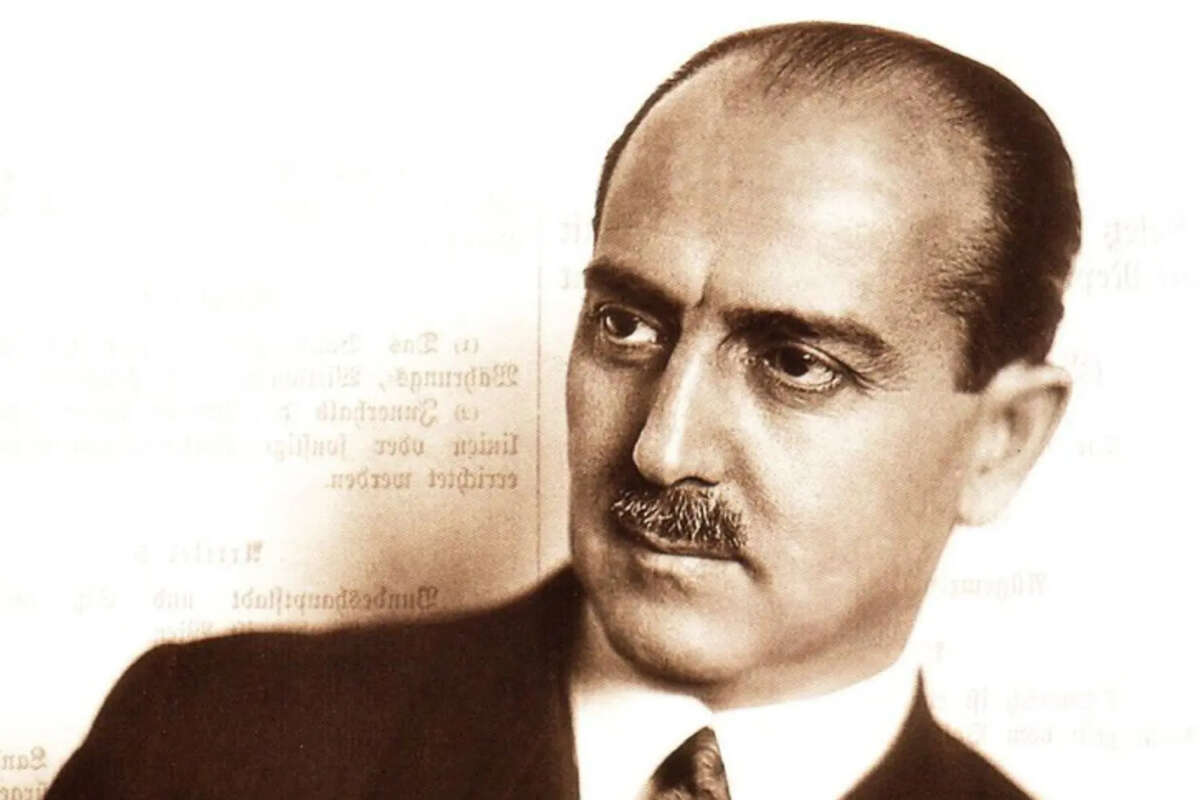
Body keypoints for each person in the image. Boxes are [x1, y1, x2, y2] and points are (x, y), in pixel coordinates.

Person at [47, 21, 1078, 800]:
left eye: (796, 363)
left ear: (1003, 442)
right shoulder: (206, 746)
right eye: (627, 325)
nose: (661, 448)